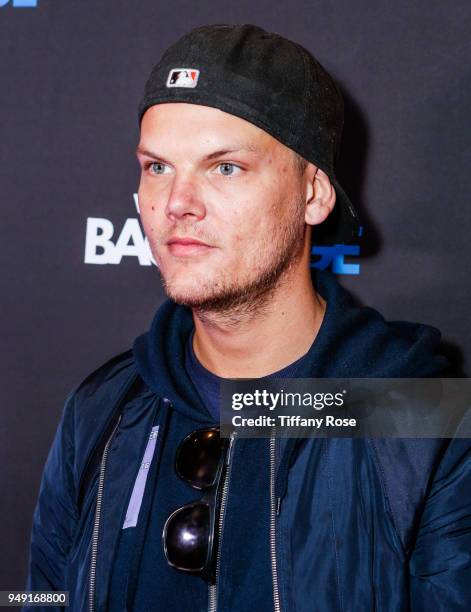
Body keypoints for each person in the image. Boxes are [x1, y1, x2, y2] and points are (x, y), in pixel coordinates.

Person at [25, 24, 471, 612]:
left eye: (225, 167)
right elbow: (40, 598)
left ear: (314, 192)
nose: (176, 203)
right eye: (157, 167)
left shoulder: (422, 422)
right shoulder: (102, 408)